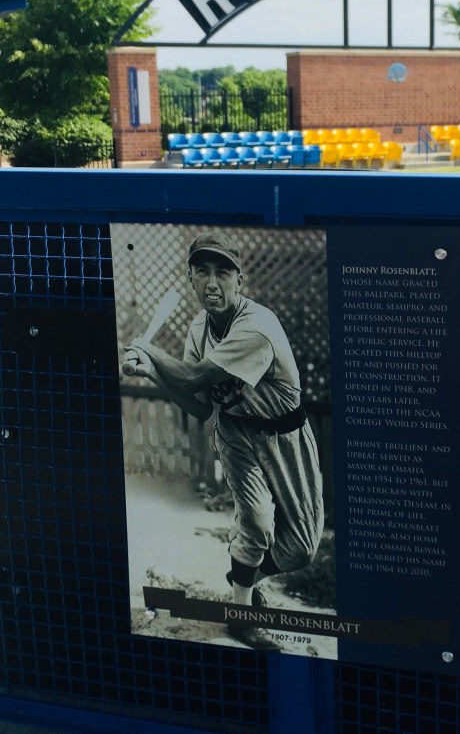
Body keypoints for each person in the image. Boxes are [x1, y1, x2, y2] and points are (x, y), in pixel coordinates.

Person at [126, 231, 324, 651]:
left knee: (301, 548)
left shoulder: (257, 326)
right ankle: (243, 614)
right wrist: (153, 374)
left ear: (240, 281)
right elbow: (198, 405)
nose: (212, 283)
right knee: (255, 520)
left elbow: (196, 376)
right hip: (235, 432)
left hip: (284, 432)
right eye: (202, 272)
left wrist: (149, 350)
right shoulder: (200, 327)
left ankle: (243, 578)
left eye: (222, 273)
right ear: (192, 279)